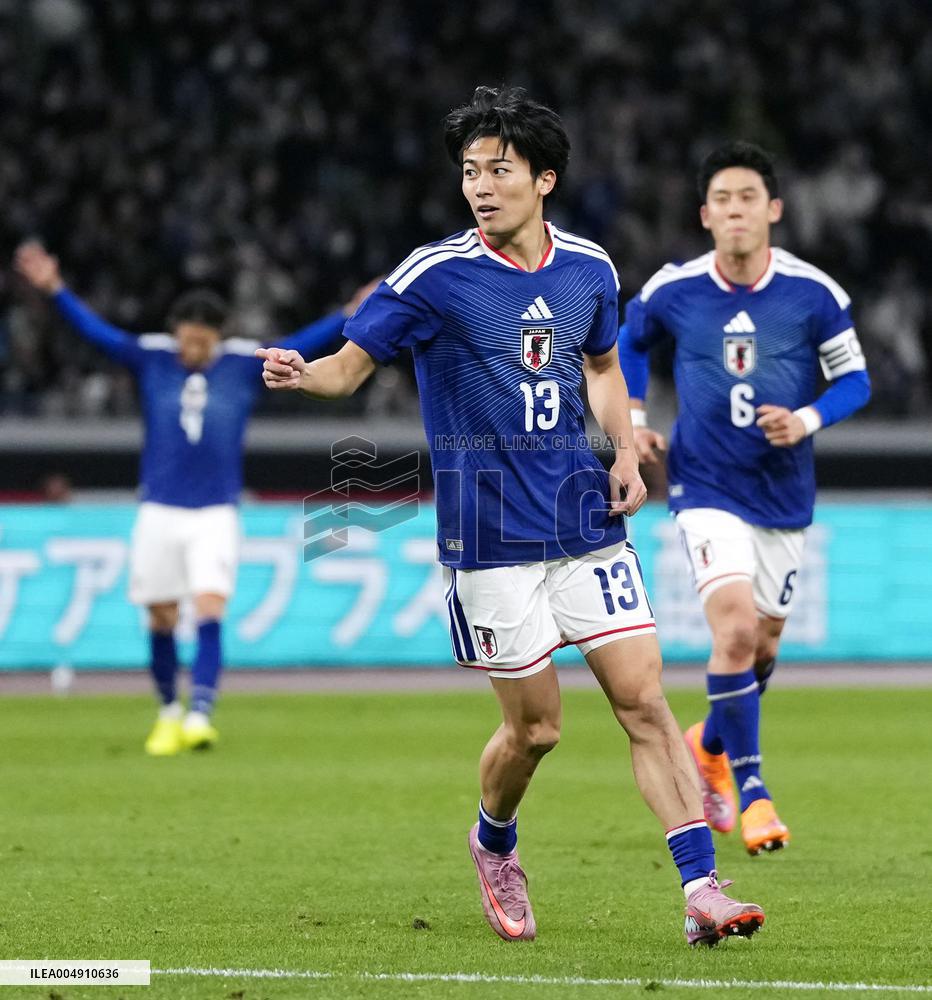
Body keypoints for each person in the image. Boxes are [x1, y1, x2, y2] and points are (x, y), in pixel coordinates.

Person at [256, 87, 764, 947]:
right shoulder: (435, 275)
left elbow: (603, 369)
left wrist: (625, 451)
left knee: (643, 702)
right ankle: (494, 841)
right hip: (490, 539)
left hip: (581, 520)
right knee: (536, 731)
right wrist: (301, 373)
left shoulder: (590, 270)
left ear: (544, 178)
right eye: (469, 172)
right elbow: (348, 369)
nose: (481, 186)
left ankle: (701, 888)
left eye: (499, 170)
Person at [15, 241, 376, 756]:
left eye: (201, 343)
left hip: (215, 511)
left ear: (217, 337)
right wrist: (55, 290)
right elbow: (97, 334)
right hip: (159, 508)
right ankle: (167, 713)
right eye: (187, 342)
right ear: (176, 334)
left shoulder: (240, 362)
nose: (193, 351)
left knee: (209, 606)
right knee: (161, 616)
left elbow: (302, 340)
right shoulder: (151, 356)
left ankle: (200, 713)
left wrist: (347, 314)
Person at [617, 141, 871, 855]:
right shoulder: (674, 289)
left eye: (748, 197)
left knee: (760, 646)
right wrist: (635, 424)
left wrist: (806, 419)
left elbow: (856, 380)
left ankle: (709, 745)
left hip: (783, 491)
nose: (735, 210)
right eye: (722, 199)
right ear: (705, 214)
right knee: (731, 629)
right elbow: (627, 343)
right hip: (704, 483)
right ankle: (753, 792)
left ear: (774, 209)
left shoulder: (814, 294)